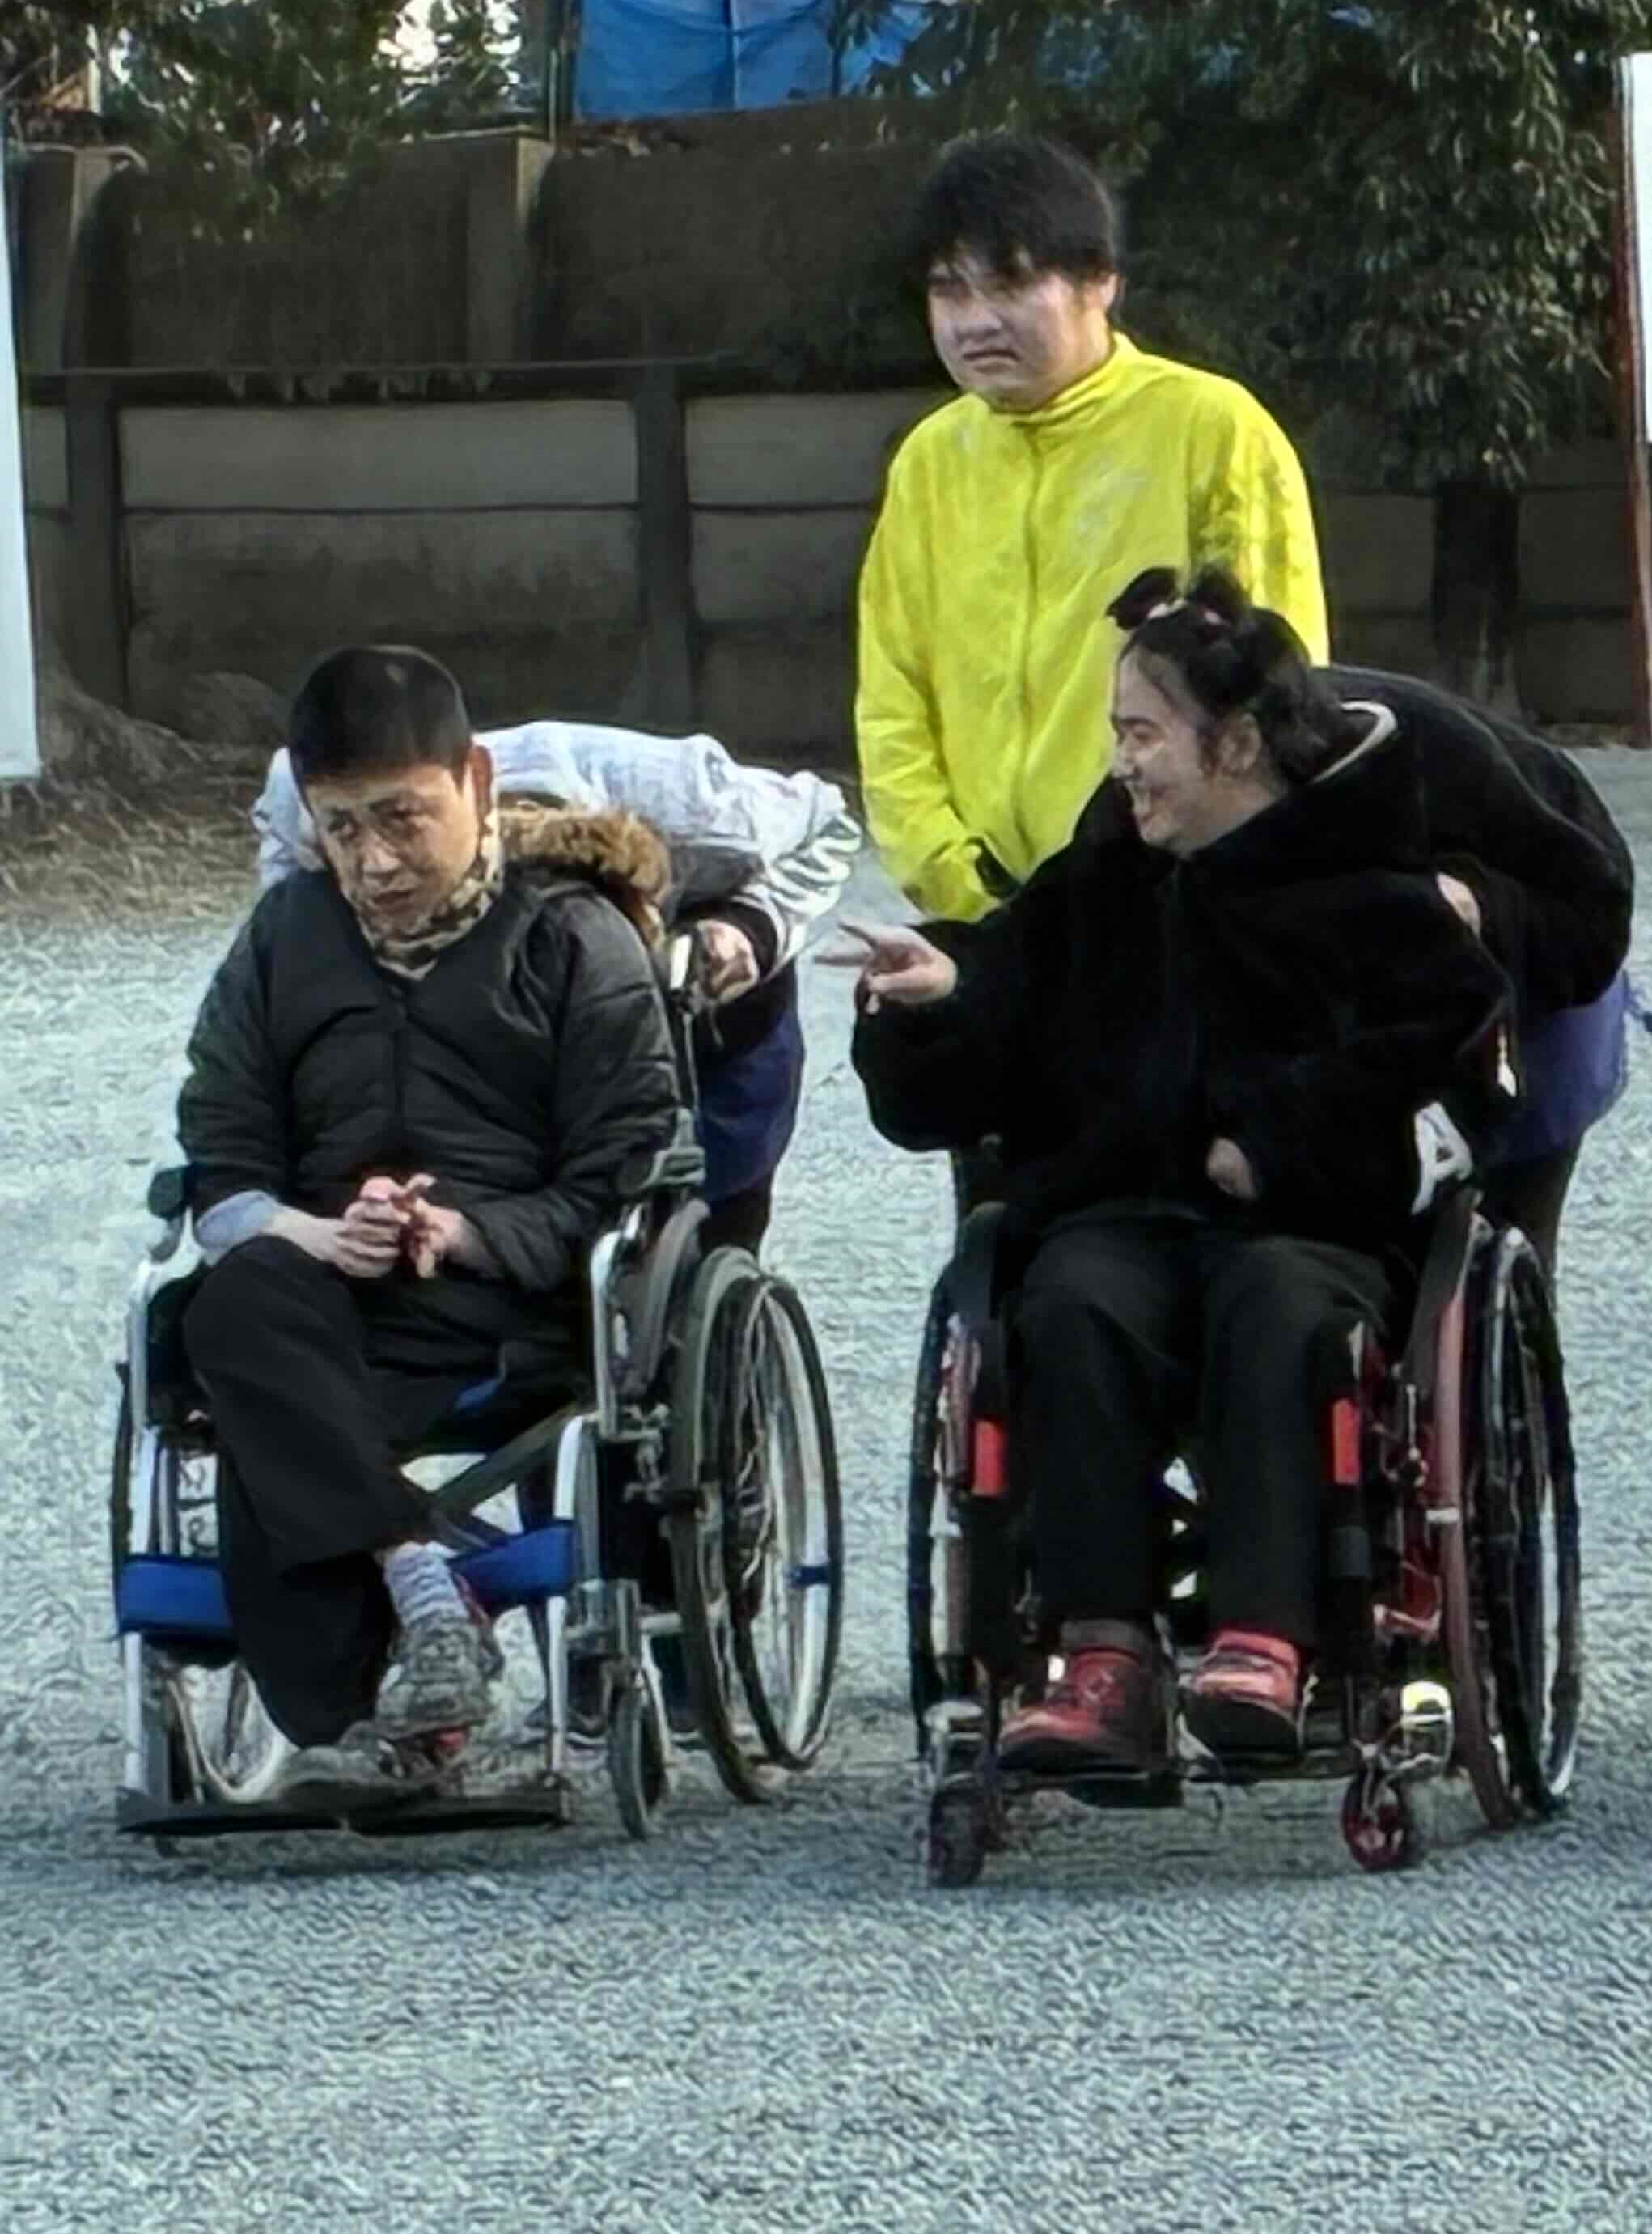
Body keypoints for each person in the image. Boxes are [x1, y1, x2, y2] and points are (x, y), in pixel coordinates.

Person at [838, 569, 1513, 1773]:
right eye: (1119, 735)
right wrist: (941, 997)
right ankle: (1106, 1657)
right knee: (1071, 1304)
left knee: (1281, 1310)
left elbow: (1453, 1068)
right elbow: (1002, 1009)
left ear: (1236, 743)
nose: (1123, 765)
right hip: (1125, 1213)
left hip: (1313, 1226)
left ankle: (1266, 1639)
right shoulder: (1099, 886)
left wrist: (1278, 1139)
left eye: (1143, 735)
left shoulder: (1372, 891)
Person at [173, 648, 683, 1807]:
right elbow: (221, 1148)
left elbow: (618, 1173)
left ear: (477, 782)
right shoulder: (286, 937)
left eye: (402, 817)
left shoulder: (571, 937)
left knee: (276, 1444)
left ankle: (364, 1715)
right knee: (235, 1300)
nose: (374, 861)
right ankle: (418, 1579)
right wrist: (312, 1232)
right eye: (341, 829)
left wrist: (462, 1232)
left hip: (509, 1308)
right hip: (319, 1308)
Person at [854, 132, 1330, 925]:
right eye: (950, 291)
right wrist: (953, 878)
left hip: (1172, 903)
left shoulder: (1212, 431)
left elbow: (1277, 683)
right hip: (985, 914)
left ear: (1100, 281)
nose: (975, 322)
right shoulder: (930, 461)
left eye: (1011, 284)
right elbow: (892, 692)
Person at [249, 719, 862, 1254]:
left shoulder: (706, 805)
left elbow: (829, 823)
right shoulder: (314, 807)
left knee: (709, 1206)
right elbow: (289, 920)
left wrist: (751, 927)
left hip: (713, 1003)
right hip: (507, 1044)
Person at [1319, 662, 1637, 1281]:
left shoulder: (1420, 755)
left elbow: (1594, 912)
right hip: (1399, 985)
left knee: (1503, 1246)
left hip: (1549, 968)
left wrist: (1473, 904)